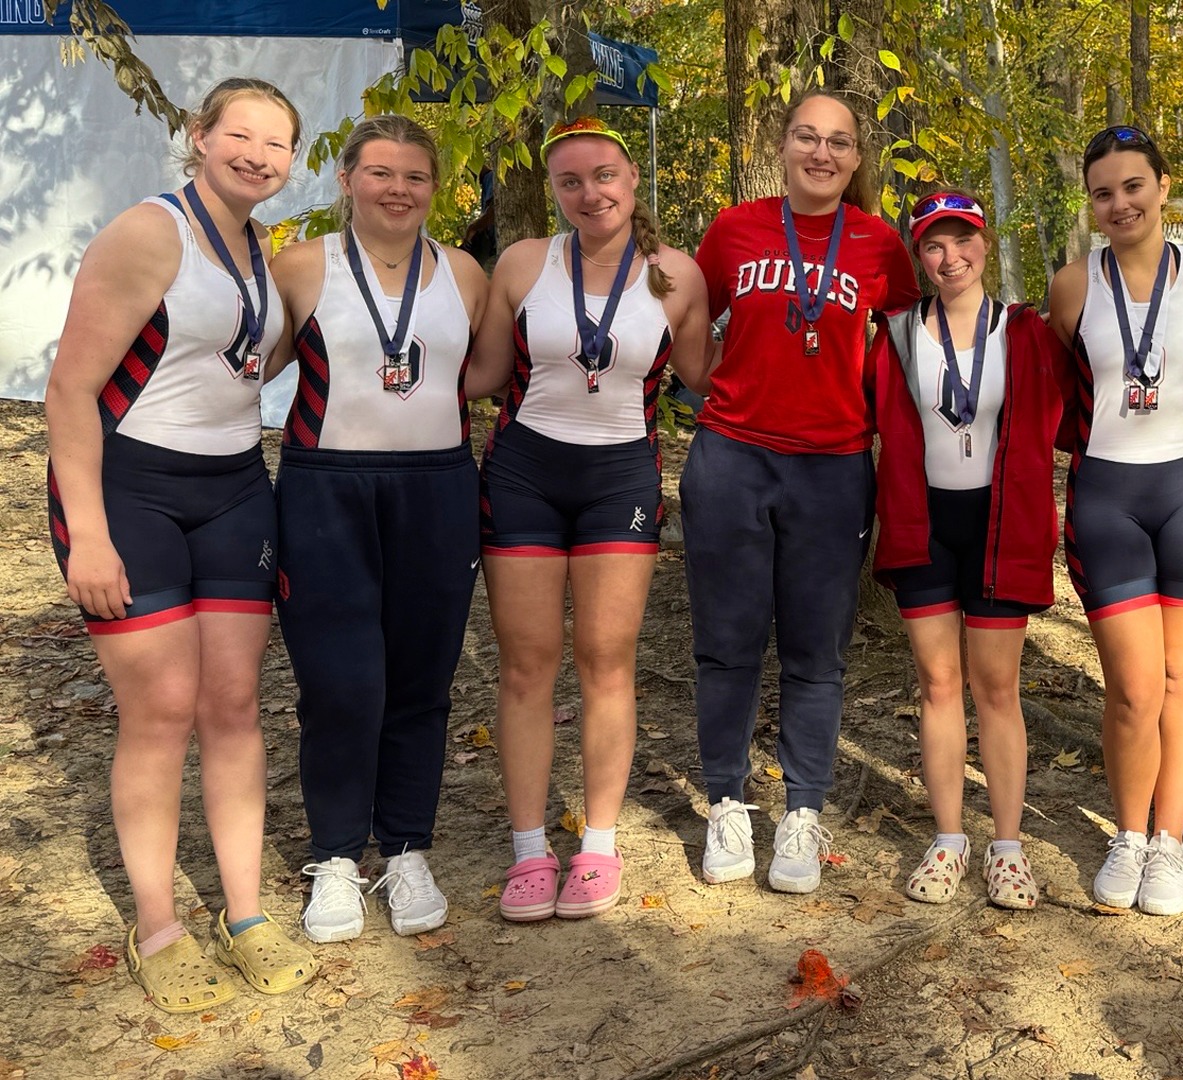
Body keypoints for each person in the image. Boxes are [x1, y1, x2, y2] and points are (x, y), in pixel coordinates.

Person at [43, 77, 314, 1009]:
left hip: (236, 488)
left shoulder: (260, 246)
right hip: (132, 492)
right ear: (199, 137)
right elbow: (70, 391)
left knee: (234, 705)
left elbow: (242, 361)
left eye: (276, 144)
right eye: (239, 134)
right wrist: (88, 537)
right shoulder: (149, 232)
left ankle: (245, 915)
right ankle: (158, 925)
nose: (257, 154)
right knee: (161, 709)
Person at [465, 116, 711, 921]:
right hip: (527, 468)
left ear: (632, 179)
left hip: (620, 475)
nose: (588, 192)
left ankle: (598, 844)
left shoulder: (677, 273)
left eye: (603, 175)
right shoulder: (525, 262)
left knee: (607, 660)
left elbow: (706, 376)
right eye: (570, 181)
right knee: (528, 665)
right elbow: (489, 373)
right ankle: (531, 848)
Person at [688, 89, 918, 894]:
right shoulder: (733, 229)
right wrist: (710, 387)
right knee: (728, 640)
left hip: (832, 463)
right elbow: (690, 318)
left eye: (840, 143)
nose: (822, 154)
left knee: (817, 650)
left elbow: (917, 337)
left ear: (858, 159)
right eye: (807, 138)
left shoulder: (880, 244)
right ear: (782, 145)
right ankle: (725, 800)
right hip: (733, 456)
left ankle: (802, 812)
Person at [271, 115, 489, 942]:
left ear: (435, 188)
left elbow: (487, 371)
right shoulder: (300, 267)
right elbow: (248, 363)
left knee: (421, 683)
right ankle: (333, 856)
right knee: (341, 682)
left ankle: (404, 847)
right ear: (346, 180)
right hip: (327, 488)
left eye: (415, 177)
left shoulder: (464, 274)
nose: (398, 189)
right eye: (380, 173)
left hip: (435, 486)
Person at [1045, 126, 1183, 918]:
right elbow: (1062, 389)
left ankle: (1170, 842)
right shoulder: (1071, 285)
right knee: (1130, 687)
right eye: (1102, 193)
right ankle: (1128, 834)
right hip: (1106, 494)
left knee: (1181, 679)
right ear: (1090, 205)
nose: (1119, 203)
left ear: (1162, 186)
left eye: (1132, 186)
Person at [871, 189, 1065, 909]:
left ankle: (1007, 848)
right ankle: (950, 838)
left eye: (962, 241)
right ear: (918, 257)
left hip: (1000, 524)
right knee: (937, 684)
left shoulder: (1025, 330)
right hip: (924, 521)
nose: (950, 257)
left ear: (985, 244)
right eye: (933, 245)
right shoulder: (894, 333)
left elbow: (1066, 414)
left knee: (997, 688)